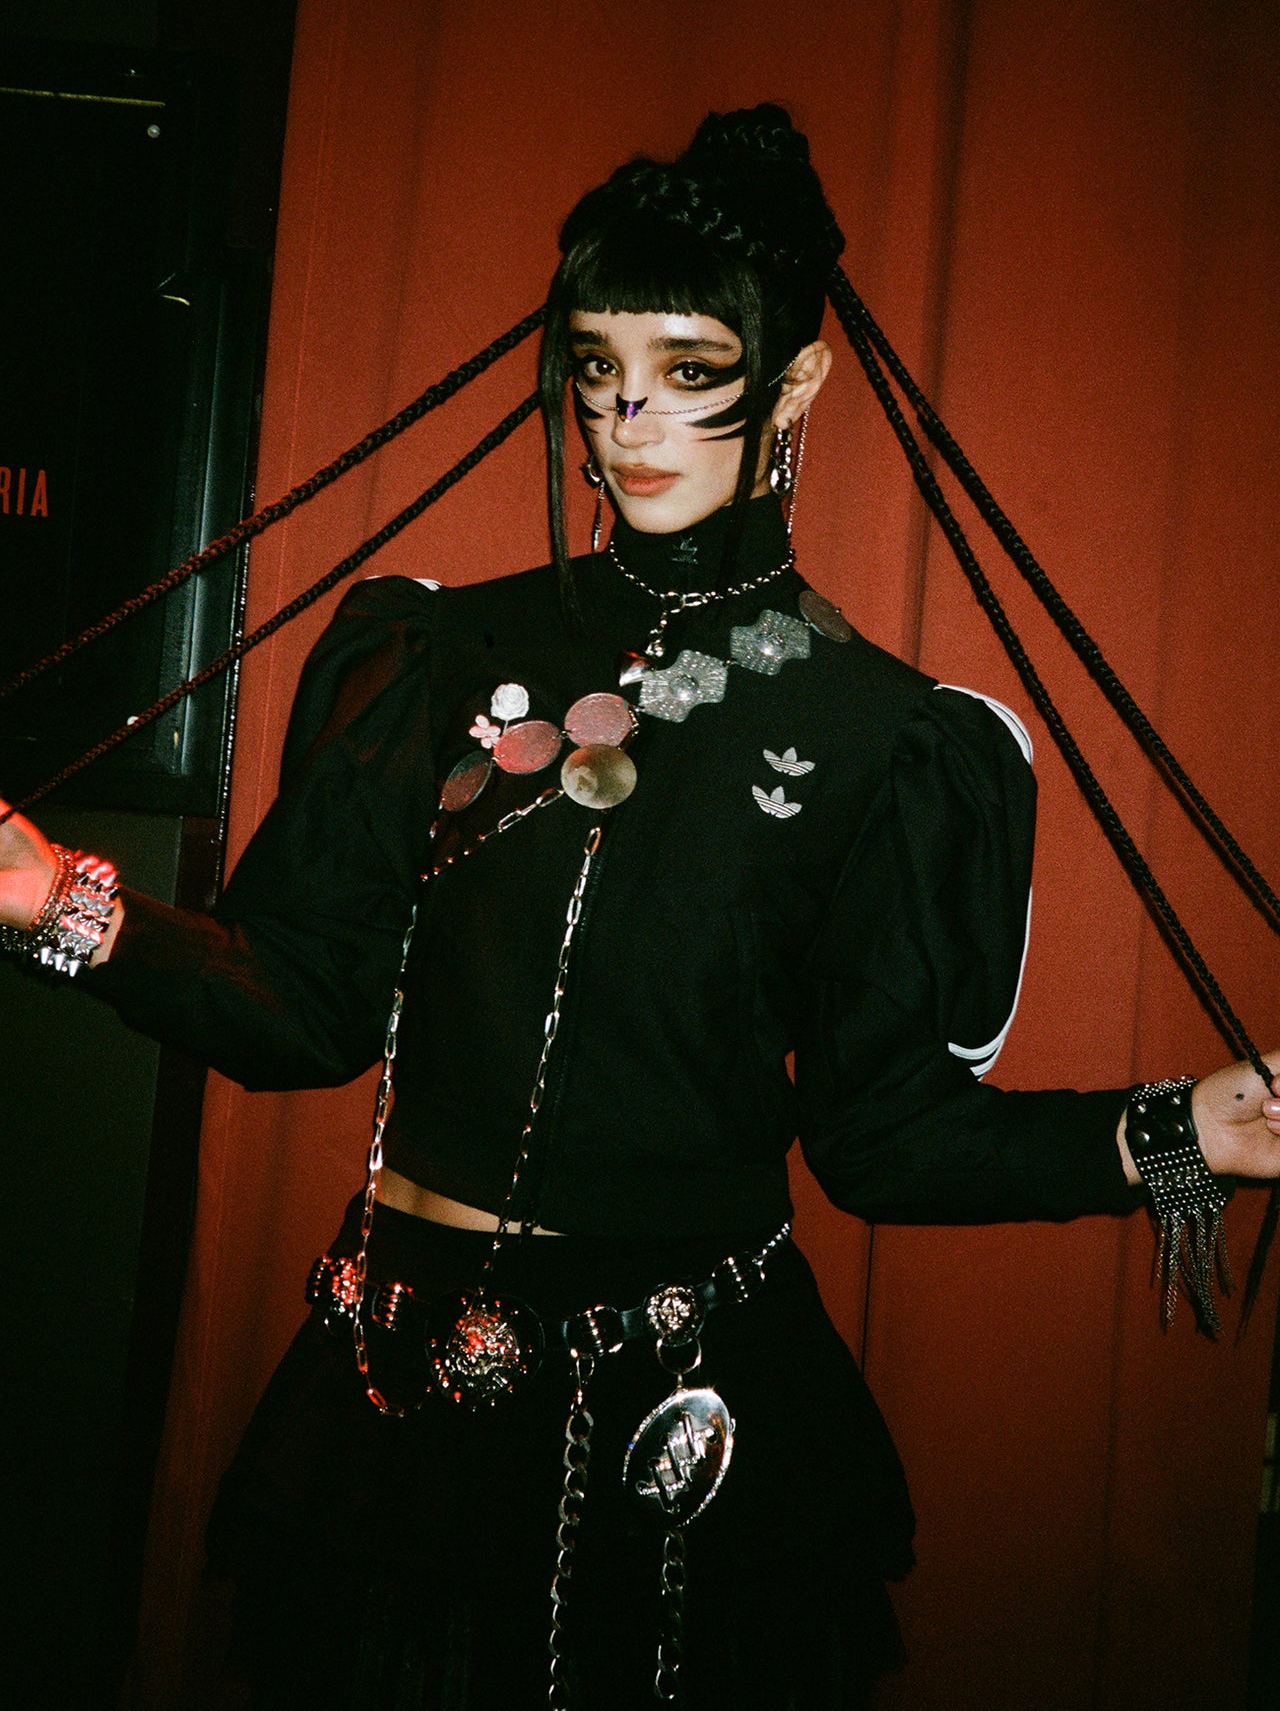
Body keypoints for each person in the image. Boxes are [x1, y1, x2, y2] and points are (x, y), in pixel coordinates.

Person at [2, 104, 1278, 1711]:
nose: (626, 417)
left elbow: (884, 1137)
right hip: (399, 1393)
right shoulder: (432, 653)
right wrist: (55, 906)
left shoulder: (890, 740)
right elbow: (305, 1009)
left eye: (689, 369)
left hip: (693, 1421)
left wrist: (1180, 1134)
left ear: (796, 383)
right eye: (599, 364)